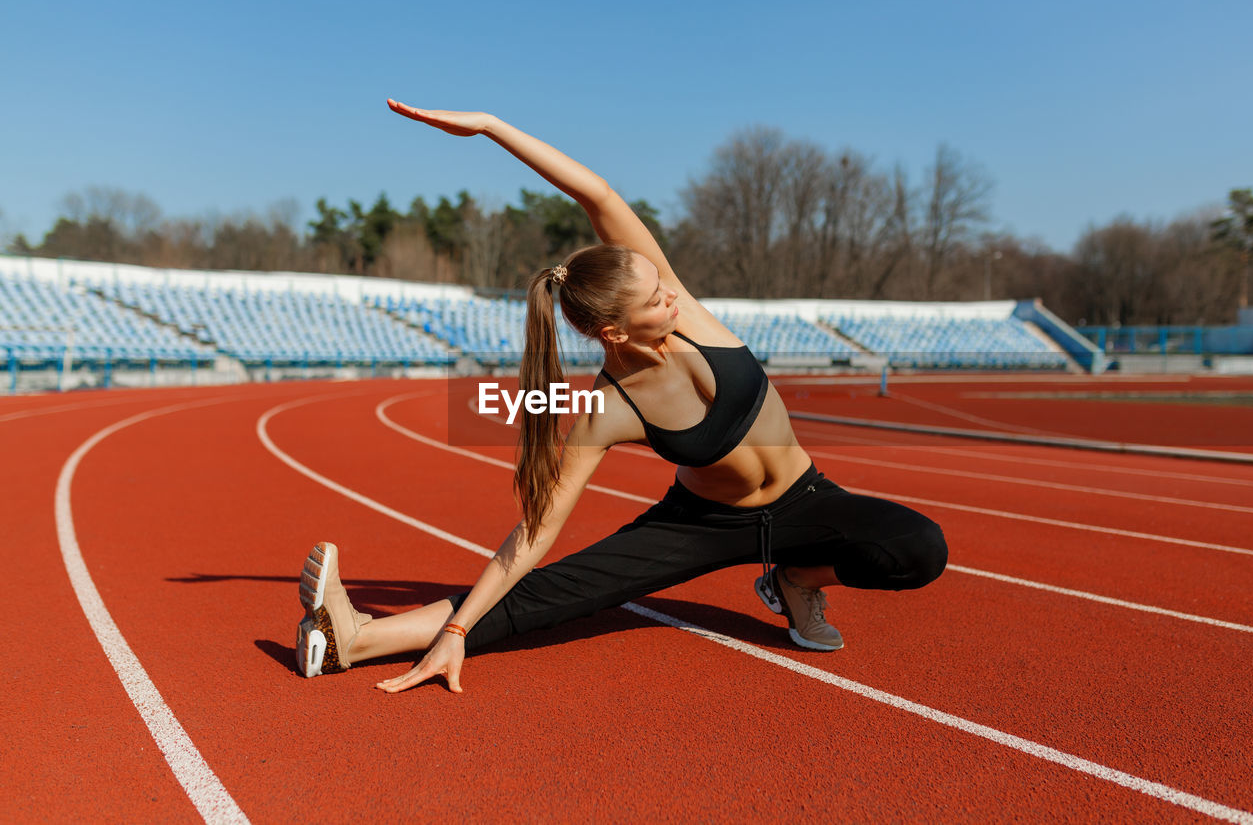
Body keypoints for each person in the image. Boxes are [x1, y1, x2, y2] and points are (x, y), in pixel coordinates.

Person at [293, 102, 948, 694]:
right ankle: (353, 638)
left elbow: (595, 192)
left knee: (919, 547)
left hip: (805, 499)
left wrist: (492, 127)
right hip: (701, 523)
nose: (673, 293)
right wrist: (459, 630)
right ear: (615, 330)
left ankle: (797, 579)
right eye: (657, 297)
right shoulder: (607, 410)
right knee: (555, 593)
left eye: (664, 283)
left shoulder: (684, 311)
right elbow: (532, 535)